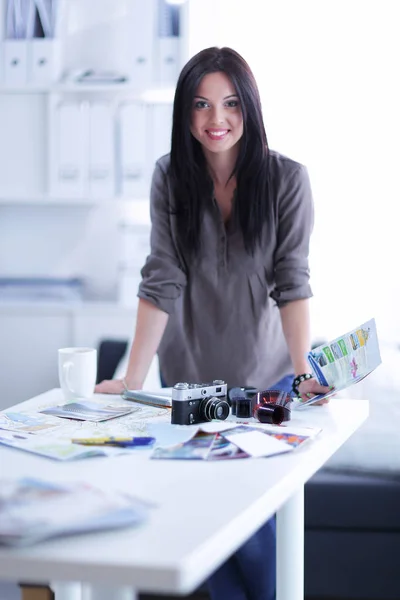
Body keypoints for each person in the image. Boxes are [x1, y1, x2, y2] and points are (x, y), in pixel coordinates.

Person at [96, 46, 330, 600]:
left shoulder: (287, 180)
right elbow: (161, 281)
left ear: (249, 107)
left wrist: (300, 374)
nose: (216, 119)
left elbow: (292, 283)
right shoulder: (170, 179)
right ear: (185, 112)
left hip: (267, 381)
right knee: (204, 522)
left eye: (229, 104)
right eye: (200, 104)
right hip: (192, 383)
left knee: (250, 521)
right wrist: (133, 380)